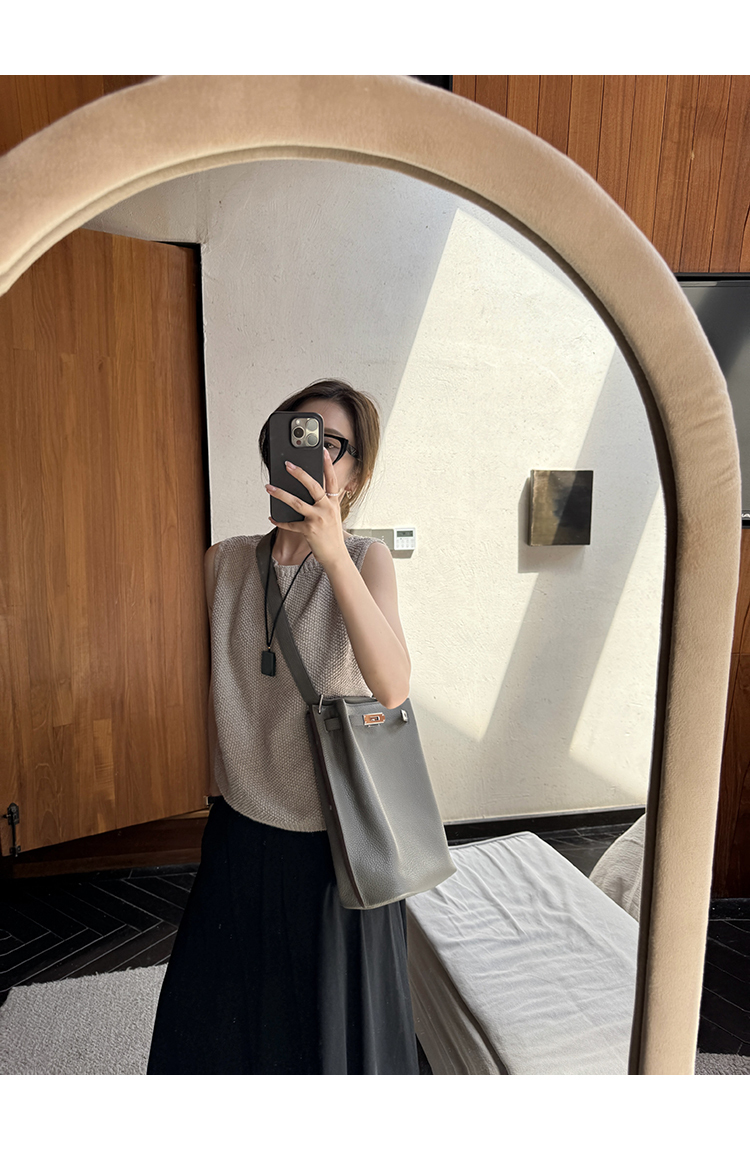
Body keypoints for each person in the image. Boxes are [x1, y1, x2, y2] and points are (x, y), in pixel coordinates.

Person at [147, 378, 420, 1074]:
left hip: (335, 843)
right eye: (296, 434)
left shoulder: (367, 561)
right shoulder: (222, 563)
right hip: (239, 830)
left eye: (333, 444)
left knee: (325, 1042)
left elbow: (392, 687)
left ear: (355, 474)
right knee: (217, 1031)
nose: (312, 453)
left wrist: (332, 553)